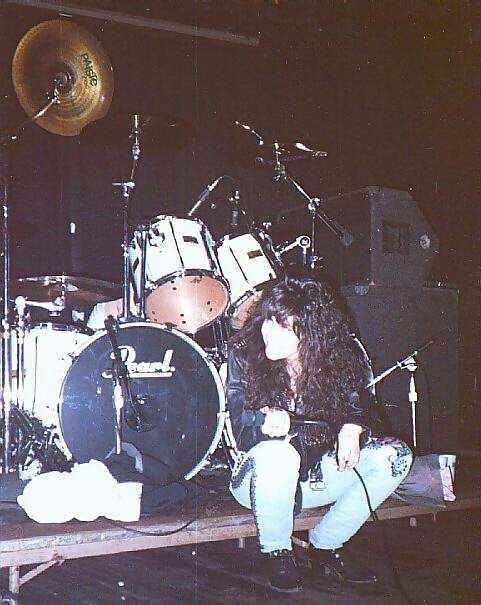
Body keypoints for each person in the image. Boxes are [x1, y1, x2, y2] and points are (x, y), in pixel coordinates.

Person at [226, 275, 413, 592]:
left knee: (396, 457)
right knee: (278, 454)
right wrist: (263, 421)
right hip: (260, 484)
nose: (269, 331)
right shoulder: (245, 354)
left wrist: (353, 426)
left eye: (284, 326)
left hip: (317, 478)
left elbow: (364, 406)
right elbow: (241, 427)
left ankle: (327, 545)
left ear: (311, 333)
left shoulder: (340, 359)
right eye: (269, 319)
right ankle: (277, 552)